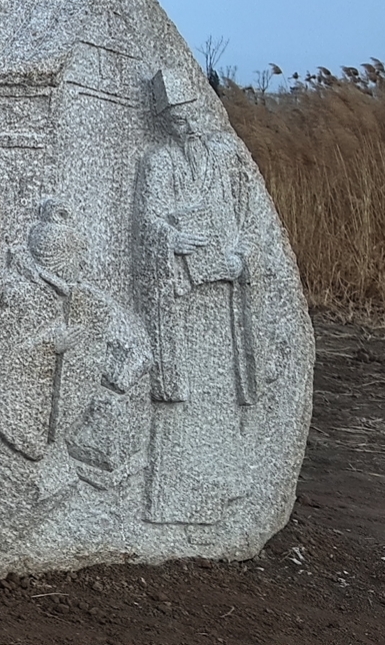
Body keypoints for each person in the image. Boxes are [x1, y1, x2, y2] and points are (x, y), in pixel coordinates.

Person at [136, 68, 256, 525]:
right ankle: (172, 500)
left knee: (219, 393)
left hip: (221, 301)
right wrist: (171, 239)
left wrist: (239, 261)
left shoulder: (226, 159)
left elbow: (251, 223)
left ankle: (222, 490)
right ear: (163, 121)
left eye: (189, 115)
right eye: (174, 119)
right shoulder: (159, 162)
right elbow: (147, 221)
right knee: (180, 398)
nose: (184, 125)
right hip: (182, 295)